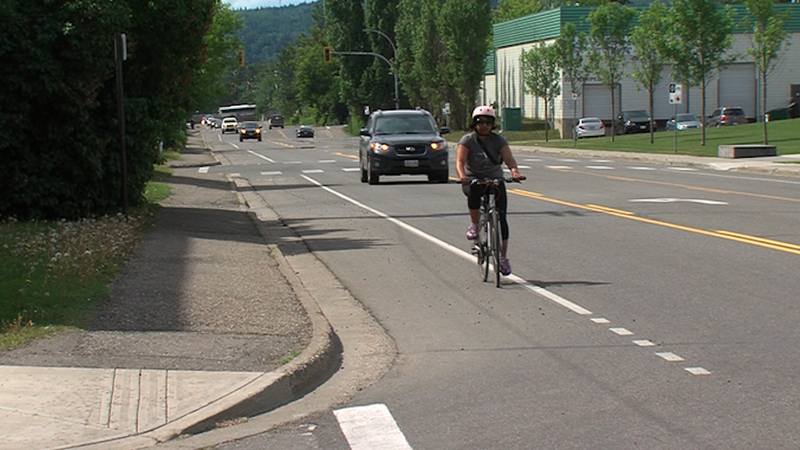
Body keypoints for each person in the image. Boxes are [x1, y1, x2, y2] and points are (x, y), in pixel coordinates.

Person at [456, 105, 526, 276]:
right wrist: (463, 176)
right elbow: (460, 161)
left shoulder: (498, 140)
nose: (484, 125)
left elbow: (509, 159)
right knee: (474, 191)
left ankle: (503, 257)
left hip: (495, 180)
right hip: (474, 179)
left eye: (488, 122)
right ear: (475, 123)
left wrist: (515, 172)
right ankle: (474, 224)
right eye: (480, 122)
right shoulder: (467, 140)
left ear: (492, 124)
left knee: (502, 218)